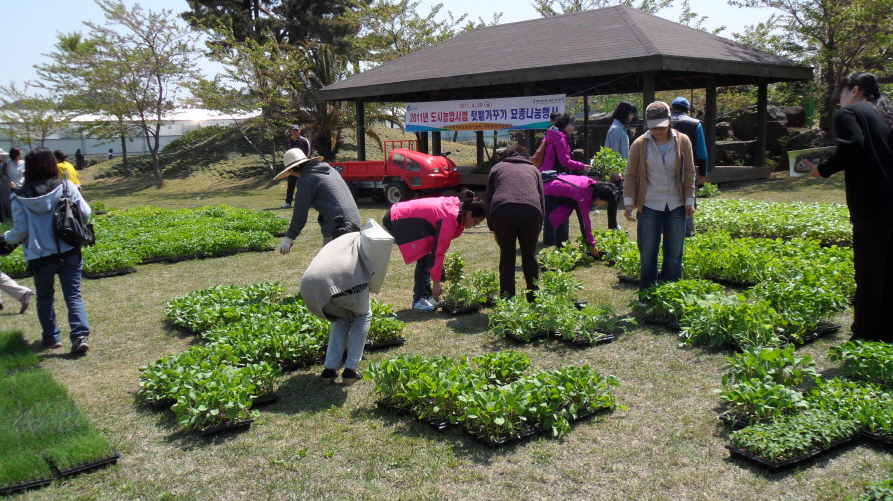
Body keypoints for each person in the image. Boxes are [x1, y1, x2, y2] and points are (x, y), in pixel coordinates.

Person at [805, 72, 893, 343]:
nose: (839, 100)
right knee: (889, 270)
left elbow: (853, 144)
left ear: (854, 91)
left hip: (871, 204)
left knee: (868, 273)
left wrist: (823, 170)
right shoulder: (887, 111)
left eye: (841, 93)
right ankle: (887, 332)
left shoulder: (850, 113)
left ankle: (865, 335)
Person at [1, 147, 91, 352]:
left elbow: (20, 231)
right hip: (68, 249)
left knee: (45, 297)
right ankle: (79, 336)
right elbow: (85, 213)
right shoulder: (66, 186)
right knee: (73, 295)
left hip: (39, 254)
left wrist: (5, 240)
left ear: (29, 168)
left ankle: (51, 338)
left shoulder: (19, 196)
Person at [623, 101, 697, 293]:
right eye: (653, 127)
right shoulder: (640, 144)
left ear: (669, 121)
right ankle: (647, 293)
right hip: (649, 204)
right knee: (648, 253)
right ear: (647, 124)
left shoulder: (683, 141)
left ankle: (670, 295)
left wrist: (690, 200)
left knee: (674, 253)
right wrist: (629, 203)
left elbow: (689, 172)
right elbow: (630, 175)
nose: (658, 130)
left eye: (662, 126)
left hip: (676, 203)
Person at [381, 190, 486, 311]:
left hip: (402, 215)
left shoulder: (455, 208)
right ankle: (419, 299)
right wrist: (436, 283)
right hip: (397, 217)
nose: (474, 226)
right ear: (468, 214)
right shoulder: (449, 219)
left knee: (426, 255)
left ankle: (427, 296)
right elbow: (438, 252)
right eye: (476, 222)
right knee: (424, 257)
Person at [300, 217, 373, 386]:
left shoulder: (330, 246)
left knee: (342, 318)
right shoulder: (356, 238)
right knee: (363, 315)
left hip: (312, 291)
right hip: (342, 286)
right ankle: (351, 370)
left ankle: (329, 371)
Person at [484, 145, 544, 302]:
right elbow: (541, 199)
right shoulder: (534, 170)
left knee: (507, 256)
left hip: (503, 211)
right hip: (532, 211)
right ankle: (533, 297)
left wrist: (493, 228)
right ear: (525, 156)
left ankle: (508, 299)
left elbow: (488, 200)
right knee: (530, 255)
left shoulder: (497, 168)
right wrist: (539, 224)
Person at [275, 148, 360, 250]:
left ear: (293, 168)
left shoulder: (307, 179)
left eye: (290, 171)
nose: (292, 175)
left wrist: (289, 238)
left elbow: (300, 213)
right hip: (355, 222)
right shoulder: (329, 170)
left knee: (331, 264)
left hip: (339, 228)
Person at [539, 113, 589, 246]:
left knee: (551, 208)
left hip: (545, 176)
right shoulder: (560, 139)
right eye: (571, 124)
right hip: (554, 177)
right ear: (564, 124)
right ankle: (559, 240)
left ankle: (550, 238)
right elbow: (565, 161)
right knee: (560, 209)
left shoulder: (552, 135)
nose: (573, 127)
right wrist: (582, 166)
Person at [544, 173, 619, 256]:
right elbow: (584, 223)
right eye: (605, 202)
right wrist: (592, 245)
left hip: (556, 187)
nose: (604, 204)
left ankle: (564, 248)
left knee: (563, 217)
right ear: (599, 197)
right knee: (560, 218)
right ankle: (562, 251)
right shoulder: (583, 197)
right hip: (548, 192)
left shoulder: (591, 185)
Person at [669, 97, 709, 237]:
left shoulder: (663, 123)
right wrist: (703, 172)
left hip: (663, 169)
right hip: (687, 170)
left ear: (671, 109)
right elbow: (701, 150)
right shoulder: (695, 124)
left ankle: (665, 231)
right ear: (687, 110)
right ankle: (687, 233)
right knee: (688, 199)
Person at [604, 101, 638, 229]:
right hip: (616, 172)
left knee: (616, 198)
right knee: (613, 199)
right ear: (625, 113)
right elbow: (613, 152)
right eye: (631, 113)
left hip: (621, 170)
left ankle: (613, 225)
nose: (632, 116)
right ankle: (612, 225)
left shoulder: (621, 128)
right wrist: (616, 170)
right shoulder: (616, 129)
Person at [281, 125, 313, 209]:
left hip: (303, 166)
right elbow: (288, 154)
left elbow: (309, 152)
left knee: (304, 184)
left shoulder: (304, 141)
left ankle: (306, 202)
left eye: (297, 130)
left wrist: (303, 162)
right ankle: (288, 202)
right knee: (291, 184)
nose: (295, 132)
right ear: (291, 132)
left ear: (299, 131)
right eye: (293, 130)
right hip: (292, 166)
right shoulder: (288, 142)